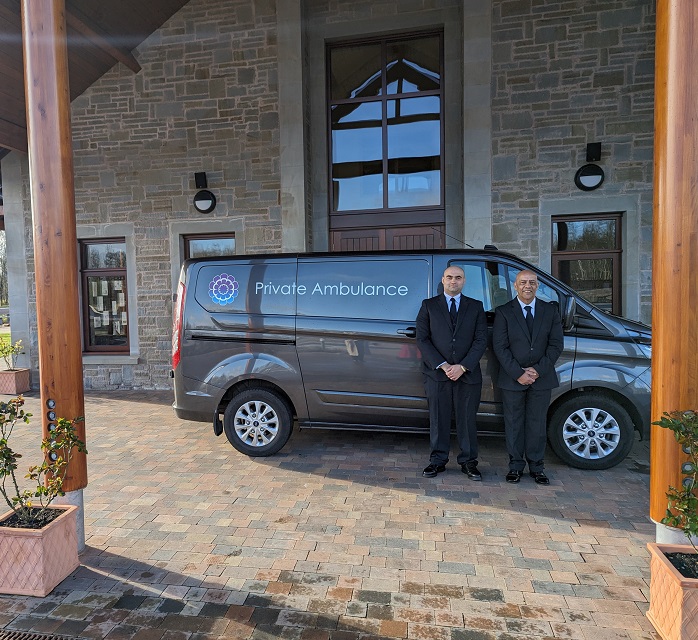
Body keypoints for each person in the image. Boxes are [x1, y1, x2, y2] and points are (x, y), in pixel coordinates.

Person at [492, 269, 564, 485]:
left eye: (532, 282)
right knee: (513, 424)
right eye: (523, 282)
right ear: (515, 285)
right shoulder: (504, 311)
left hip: (541, 378)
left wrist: (538, 370)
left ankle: (537, 467)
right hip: (512, 378)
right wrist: (518, 373)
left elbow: (556, 345)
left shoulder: (549, 311)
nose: (527, 286)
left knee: (537, 423)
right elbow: (500, 346)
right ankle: (515, 466)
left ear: (537, 286)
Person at [416, 266, 487, 479]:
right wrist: (444, 365)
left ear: (464, 281)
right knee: (438, 419)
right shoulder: (428, 306)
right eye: (449, 277)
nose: (453, 281)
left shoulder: (476, 307)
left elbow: (481, 339)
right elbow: (422, 338)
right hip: (437, 374)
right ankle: (437, 461)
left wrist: (462, 366)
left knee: (467, 421)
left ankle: (469, 462)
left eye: (458, 278)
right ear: (443, 280)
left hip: (468, 374)